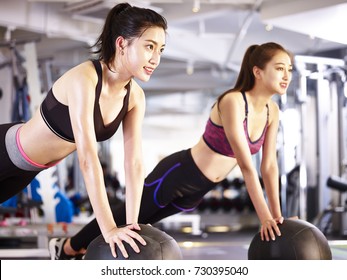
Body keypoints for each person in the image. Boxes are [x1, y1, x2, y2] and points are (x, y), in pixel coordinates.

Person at [50, 42, 293, 260]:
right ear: (258, 72)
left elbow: (269, 165)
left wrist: (277, 215)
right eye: (280, 68)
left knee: (139, 224)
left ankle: (79, 250)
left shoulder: (273, 111)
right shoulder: (234, 102)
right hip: (178, 175)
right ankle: (68, 247)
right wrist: (265, 218)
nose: (287, 76)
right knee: (127, 218)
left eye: (289, 70)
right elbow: (246, 165)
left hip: (199, 190)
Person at [0, 2, 167, 259]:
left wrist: (133, 224)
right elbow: (87, 159)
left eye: (161, 50)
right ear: (122, 44)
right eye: (149, 47)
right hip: (6, 151)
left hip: (27, 170)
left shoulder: (135, 97)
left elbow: (133, 163)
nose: (156, 59)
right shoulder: (85, 78)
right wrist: (109, 229)